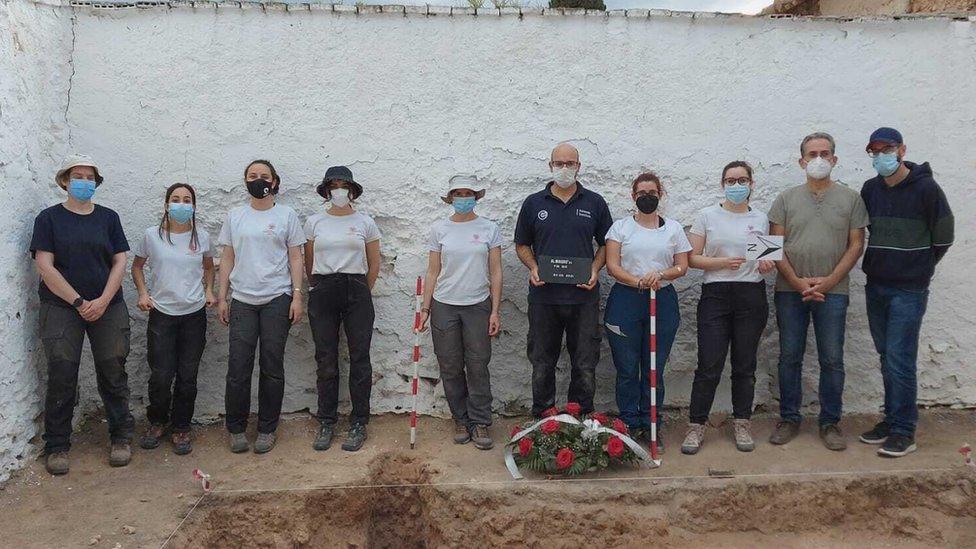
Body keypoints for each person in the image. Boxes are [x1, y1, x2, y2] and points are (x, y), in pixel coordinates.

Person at [29, 154, 134, 475]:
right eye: (78, 176)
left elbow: (120, 261)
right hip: (61, 307)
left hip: (108, 306)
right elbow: (44, 265)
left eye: (90, 177)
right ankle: (57, 446)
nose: (84, 182)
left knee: (113, 370)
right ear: (65, 181)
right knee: (62, 373)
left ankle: (120, 438)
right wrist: (78, 302)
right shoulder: (48, 219)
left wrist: (102, 300)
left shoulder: (108, 218)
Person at [768, 132, 869, 451]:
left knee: (832, 358)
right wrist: (798, 282)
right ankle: (789, 418)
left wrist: (827, 281)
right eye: (812, 154)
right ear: (801, 161)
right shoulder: (785, 198)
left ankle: (830, 422)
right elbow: (773, 247)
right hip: (789, 290)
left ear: (835, 159)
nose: (818, 159)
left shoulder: (851, 198)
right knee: (789, 356)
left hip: (833, 292)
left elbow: (856, 244)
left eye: (825, 153)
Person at [858, 128, 954, 458]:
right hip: (877, 284)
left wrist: (916, 265)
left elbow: (943, 237)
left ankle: (904, 430)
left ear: (902, 150)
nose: (882, 155)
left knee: (900, 358)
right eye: (876, 150)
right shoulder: (870, 189)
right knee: (887, 356)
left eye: (888, 148)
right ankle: (891, 418)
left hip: (909, 289)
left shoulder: (927, 188)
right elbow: (870, 231)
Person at [681, 161, 775, 455]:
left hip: (751, 293)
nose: (737, 185)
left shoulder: (760, 218)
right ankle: (696, 425)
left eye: (742, 180)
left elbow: (767, 261)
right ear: (723, 184)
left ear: (751, 184)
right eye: (731, 180)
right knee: (709, 363)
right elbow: (693, 258)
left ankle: (742, 421)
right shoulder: (708, 215)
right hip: (716, 294)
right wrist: (722, 262)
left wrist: (767, 263)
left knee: (745, 365)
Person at [514, 142, 613, 418]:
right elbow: (521, 244)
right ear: (550, 166)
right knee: (542, 362)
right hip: (544, 299)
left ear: (579, 167)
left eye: (571, 163)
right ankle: (544, 418)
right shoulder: (534, 203)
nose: (565, 168)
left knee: (585, 363)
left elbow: (607, 244)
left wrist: (595, 269)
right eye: (559, 163)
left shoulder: (595, 202)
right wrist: (533, 267)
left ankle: (578, 417)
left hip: (584, 299)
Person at [216, 160, 306, 454]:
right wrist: (222, 297)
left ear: (275, 182)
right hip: (242, 299)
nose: (258, 180)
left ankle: (267, 429)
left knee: (272, 366)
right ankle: (236, 428)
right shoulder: (235, 216)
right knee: (238, 367)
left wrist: (296, 295)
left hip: (277, 298)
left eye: (264, 176)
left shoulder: (286, 215)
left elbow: (295, 257)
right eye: (252, 176)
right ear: (245, 181)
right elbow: (227, 257)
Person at [604, 172, 691, 451]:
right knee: (627, 368)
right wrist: (638, 281)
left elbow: (682, 266)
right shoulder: (620, 228)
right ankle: (629, 424)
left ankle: (652, 423)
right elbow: (613, 266)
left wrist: (660, 275)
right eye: (641, 193)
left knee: (654, 367)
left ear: (660, 194)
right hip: (626, 300)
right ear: (633, 197)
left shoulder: (674, 229)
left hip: (662, 300)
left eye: (652, 192)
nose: (647, 197)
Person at [418, 175, 503, 450]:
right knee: (450, 365)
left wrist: (495, 311)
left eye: (468, 193)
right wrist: (426, 307)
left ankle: (480, 421)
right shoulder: (439, 229)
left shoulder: (489, 228)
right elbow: (433, 270)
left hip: (478, 304)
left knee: (478, 364)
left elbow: (496, 271)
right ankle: (460, 418)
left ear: (476, 197)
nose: (463, 198)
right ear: (450, 198)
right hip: (445, 304)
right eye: (458, 193)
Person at [132, 183, 215, 456]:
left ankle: (181, 427)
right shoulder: (151, 236)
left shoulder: (200, 236)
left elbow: (208, 267)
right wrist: (144, 293)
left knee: (187, 376)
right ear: (167, 205)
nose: (181, 204)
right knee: (160, 374)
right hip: (162, 315)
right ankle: (157, 422)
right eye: (176, 199)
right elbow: (137, 266)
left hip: (193, 315)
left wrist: (209, 291)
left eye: (187, 199)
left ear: (193, 206)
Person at [304, 166, 381, 453]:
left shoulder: (365, 222)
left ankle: (359, 421)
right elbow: (309, 261)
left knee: (360, 357)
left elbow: (374, 263)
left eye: (343, 185)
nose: (338, 190)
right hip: (323, 289)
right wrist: (317, 287)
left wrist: (361, 289)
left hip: (356, 289)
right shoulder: (314, 222)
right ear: (326, 191)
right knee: (326, 357)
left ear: (352, 190)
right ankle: (327, 420)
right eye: (333, 185)